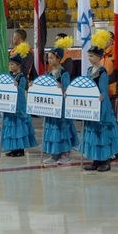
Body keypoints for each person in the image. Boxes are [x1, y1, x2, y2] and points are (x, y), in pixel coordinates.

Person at [81, 30, 118, 171]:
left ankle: (105, 160)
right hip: (91, 105)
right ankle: (95, 159)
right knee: (93, 132)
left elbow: (103, 89)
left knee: (102, 132)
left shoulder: (102, 71)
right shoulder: (89, 70)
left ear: (99, 57)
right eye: (89, 56)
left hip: (101, 105)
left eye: (91, 56)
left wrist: (101, 98)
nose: (89, 58)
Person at [42, 36, 78, 165]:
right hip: (51, 106)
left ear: (58, 59)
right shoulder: (48, 74)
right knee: (53, 129)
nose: (49, 60)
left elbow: (67, 90)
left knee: (62, 128)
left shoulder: (64, 73)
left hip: (61, 107)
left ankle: (65, 154)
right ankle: (54, 154)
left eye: (52, 58)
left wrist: (61, 88)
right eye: (48, 58)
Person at [1, 42, 38, 157]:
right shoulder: (9, 76)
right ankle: (13, 148)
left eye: (12, 64)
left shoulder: (21, 77)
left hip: (18, 107)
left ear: (18, 65)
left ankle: (20, 150)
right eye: (10, 64)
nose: (10, 66)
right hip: (10, 106)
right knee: (12, 128)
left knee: (19, 128)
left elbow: (22, 91)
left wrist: (17, 87)